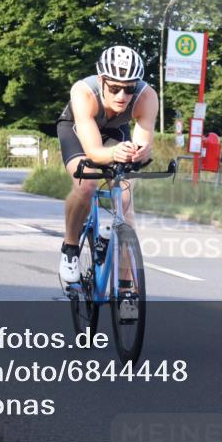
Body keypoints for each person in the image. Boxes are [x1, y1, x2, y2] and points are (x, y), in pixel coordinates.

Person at [55, 46, 158, 283]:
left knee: (124, 197)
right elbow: (94, 152)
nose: (122, 96)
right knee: (86, 185)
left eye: (129, 89)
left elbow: (141, 144)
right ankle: (70, 248)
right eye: (114, 88)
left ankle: (125, 287)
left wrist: (139, 154)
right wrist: (114, 153)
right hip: (77, 129)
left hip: (114, 131)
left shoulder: (147, 97)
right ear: (102, 80)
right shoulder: (83, 92)